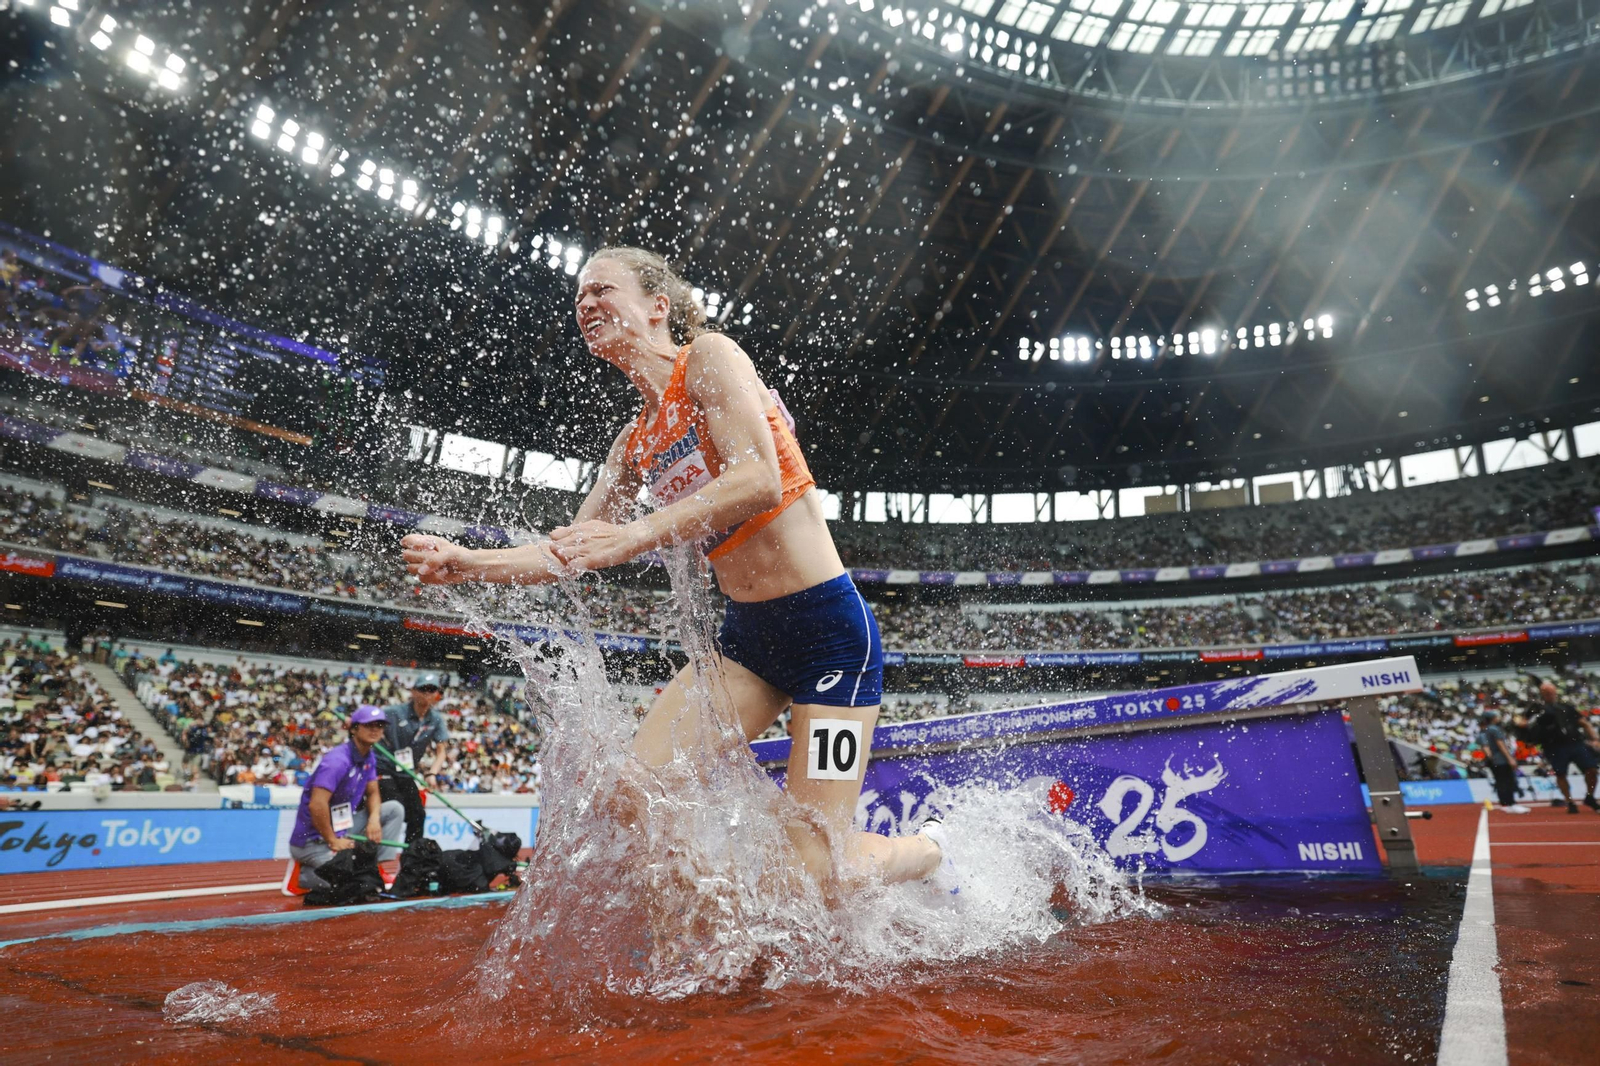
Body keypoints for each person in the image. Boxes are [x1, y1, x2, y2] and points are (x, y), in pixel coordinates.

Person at [402, 246, 942, 894]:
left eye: (603, 289)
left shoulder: (710, 359)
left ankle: (931, 850)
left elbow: (758, 480)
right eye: (580, 296)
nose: (586, 302)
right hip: (749, 645)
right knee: (631, 793)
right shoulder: (633, 444)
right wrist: (469, 562)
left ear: (659, 307)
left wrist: (631, 536)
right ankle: (719, 909)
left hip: (830, 637)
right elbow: (569, 549)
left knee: (817, 878)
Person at [287, 705, 406, 890]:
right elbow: (317, 805)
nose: (375, 729)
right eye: (369, 725)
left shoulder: (369, 757)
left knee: (394, 810)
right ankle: (305, 876)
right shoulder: (337, 761)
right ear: (354, 728)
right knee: (355, 885)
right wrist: (333, 841)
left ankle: (377, 866)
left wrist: (374, 819)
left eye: (380, 725)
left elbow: (373, 792)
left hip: (344, 828)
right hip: (313, 840)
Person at [377, 673, 450, 843]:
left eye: (432, 689)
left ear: (437, 694)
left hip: (405, 773)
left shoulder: (436, 719)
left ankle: (411, 860)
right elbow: (368, 719)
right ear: (413, 691)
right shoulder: (394, 712)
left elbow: (441, 751)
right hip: (384, 768)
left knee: (418, 814)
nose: (427, 693)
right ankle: (377, 858)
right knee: (395, 809)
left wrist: (432, 774)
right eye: (423, 689)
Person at [1525, 681, 1600, 815]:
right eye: (1546, 693)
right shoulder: (1537, 710)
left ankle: (1589, 797)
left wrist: (1595, 739)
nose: (1549, 695)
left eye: (1551, 692)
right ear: (1542, 694)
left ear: (1555, 693)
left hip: (1575, 743)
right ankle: (1570, 801)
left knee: (1592, 769)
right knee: (1561, 774)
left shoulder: (1566, 707)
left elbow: (1583, 722)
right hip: (1554, 747)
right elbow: (1528, 727)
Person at [1476, 710, 1528, 813]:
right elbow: (1501, 745)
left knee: (1500, 782)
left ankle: (1505, 803)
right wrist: (1510, 758)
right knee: (1508, 781)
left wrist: (1490, 759)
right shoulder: (1495, 729)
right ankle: (1511, 803)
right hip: (1501, 759)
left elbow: (1486, 748)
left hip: (1494, 761)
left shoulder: (1484, 731)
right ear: (1492, 718)